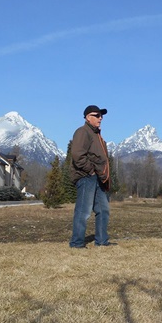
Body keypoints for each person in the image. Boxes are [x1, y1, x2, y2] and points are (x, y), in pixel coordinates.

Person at [69, 105, 114, 248]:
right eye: (97, 115)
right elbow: (77, 154)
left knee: (103, 210)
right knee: (83, 211)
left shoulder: (96, 135)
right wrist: (91, 170)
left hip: (98, 178)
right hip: (86, 176)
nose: (101, 118)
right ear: (88, 117)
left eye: (102, 116)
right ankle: (76, 243)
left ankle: (101, 241)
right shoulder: (82, 132)